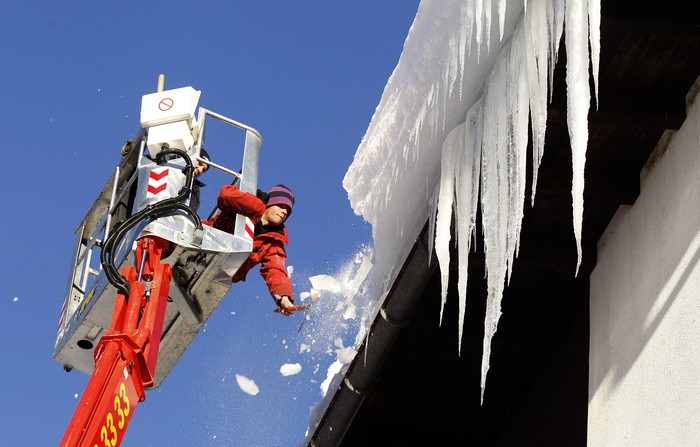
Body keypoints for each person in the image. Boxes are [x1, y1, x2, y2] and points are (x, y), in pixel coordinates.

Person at [203, 182, 297, 315]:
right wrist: (256, 207)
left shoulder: (273, 242)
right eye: (282, 205)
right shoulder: (249, 200)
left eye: (288, 210)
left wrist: (284, 298)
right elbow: (225, 194)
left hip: (218, 275)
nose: (285, 211)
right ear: (270, 203)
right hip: (201, 245)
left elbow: (276, 270)